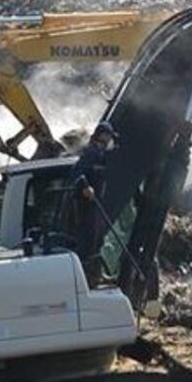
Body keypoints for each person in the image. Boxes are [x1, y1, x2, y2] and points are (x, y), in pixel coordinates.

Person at [69, 121, 117, 284]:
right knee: (88, 239)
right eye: (109, 136)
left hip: (96, 204)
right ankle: (84, 276)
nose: (110, 140)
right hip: (86, 205)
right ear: (102, 135)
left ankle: (96, 273)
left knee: (97, 238)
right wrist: (85, 187)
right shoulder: (91, 152)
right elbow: (77, 173)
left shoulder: (101, 154)